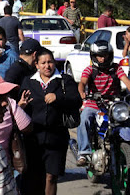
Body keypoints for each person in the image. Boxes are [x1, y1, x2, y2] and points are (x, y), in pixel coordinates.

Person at [19, 47, 82, 195]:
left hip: (57, 138)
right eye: (43, 63)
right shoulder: (28, 82)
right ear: (36, 65)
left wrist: (58, 98)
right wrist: (21, 105)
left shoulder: (65, 81)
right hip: (33, 138)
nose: (47, 66)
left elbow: (77, 101)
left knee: (51, 176)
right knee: (35, 177)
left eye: (50, 62)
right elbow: (19, 106)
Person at [76, 40, 130, 166]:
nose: (102, 59)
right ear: (93, 56)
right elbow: (82, 83)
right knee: (84, 119)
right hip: (94, 104)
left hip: (113, 105)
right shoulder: (90, 70)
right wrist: (82, 92)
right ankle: (84, 152)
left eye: (105, 55)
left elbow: (126, 81)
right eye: (99, 56)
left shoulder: (116, 68)